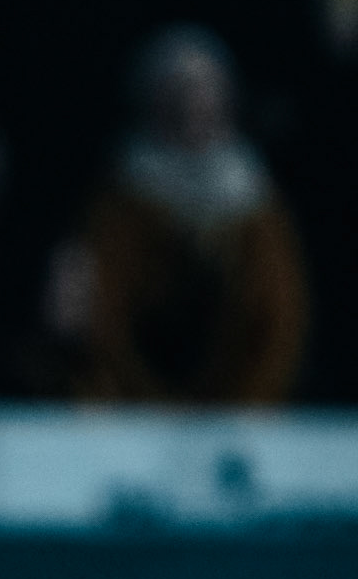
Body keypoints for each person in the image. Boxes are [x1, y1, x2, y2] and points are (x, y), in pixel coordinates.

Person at [70, 26, 308, 403]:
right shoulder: (124, 201)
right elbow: (103, 319)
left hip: (235, 412)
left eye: (205, 89)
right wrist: (140, 403)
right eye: (179, 90)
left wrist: (246, 405)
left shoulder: (255, 203)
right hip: (135, 413)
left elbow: (279, 321)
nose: (193, 105)